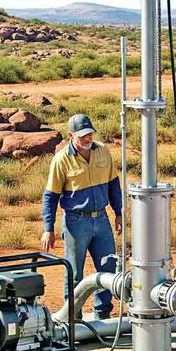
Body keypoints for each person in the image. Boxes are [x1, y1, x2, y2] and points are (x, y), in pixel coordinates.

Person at [41, 114, 123, 320]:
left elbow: (114, 185)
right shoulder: (61, 160)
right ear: (71, 136)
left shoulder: (102, 151)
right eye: (83, 135)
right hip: (76, 222)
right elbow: (50, 196)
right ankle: (73, 318)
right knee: (74, 272)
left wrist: (119, 213)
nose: (88, 139)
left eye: (90, 134)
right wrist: (48, 228)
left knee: (108, 268)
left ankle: (103, 316)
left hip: (102, 220)